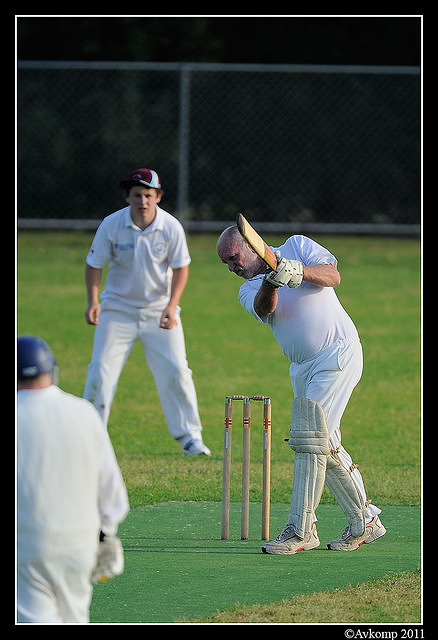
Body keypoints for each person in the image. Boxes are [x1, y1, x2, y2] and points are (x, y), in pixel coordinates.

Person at [217, 226, 386, 554]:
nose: (231, 268)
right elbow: (265, 309)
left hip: (337, 351)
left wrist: (296, 269)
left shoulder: (297, 245)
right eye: (226, 263)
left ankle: (301, 529)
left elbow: (332, 276)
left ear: (251, 246)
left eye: (233, 258)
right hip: (302, 368)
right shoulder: (249, 287)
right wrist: (273, 280)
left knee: (310, 439)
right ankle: (364, 520)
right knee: (327, 444)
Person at [83, 168, 210, 456]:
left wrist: (170, 304)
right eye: (137, 195)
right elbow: (94, 265)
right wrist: (93, 301)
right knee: (100, 372)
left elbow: (181, 268)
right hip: (117, 310)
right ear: (128, 197)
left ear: (158, 197)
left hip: (160, 313)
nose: (143, 201)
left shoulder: (170, 227)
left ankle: (191, 438)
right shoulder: (111, 225)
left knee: (177, 370)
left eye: (148, 195)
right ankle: (91, 437)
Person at [17, 335, 130, 623]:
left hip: (28, 545)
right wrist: (105, 534)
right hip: (79, 546)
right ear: (52, 372)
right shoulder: (84, 412)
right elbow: (114, 497)